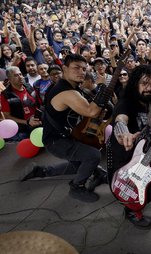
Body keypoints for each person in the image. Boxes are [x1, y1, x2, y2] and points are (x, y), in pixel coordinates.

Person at [19, 54, 107, 203]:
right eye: (76, 68)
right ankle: (76, 187)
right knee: (92, 156)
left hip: (65, 135)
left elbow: (85, 111)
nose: (81, 72)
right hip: (57, 141)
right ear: (64, 68)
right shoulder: (66, 92)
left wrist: (95, 112)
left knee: (80, 166)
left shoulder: (71, 87)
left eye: (84, 69)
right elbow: (91, 111)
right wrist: (102, 86)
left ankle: (40, 171)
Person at [107, 65, 151, 229]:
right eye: (144, 83)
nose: (148, 88)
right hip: (122, 159)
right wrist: (124, 133)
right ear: (135, 84)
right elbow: (120, 119)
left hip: (141, 158)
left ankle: (103, 177)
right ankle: (130, 210)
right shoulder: (126, 102)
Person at [0, 67, 42, 141]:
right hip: (23, 130)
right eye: (16, 75)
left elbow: (39, 105)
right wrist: (27, 122)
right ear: (9, 78)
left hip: (38, 124)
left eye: (20, 74)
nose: (20, 77)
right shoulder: (6, 94)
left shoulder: (29, 87)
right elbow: (7, 116)